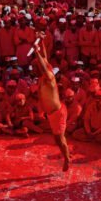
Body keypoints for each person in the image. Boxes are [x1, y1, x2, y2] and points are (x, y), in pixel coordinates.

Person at [32, 42, 71, 170]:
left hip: (58, 113)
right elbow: (45, 57)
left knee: (60, 139)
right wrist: (41, 41)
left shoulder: (49, 76)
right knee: (56, 139)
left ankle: (67, 159)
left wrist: (36, 52)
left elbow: (43, 64)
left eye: (35, 66)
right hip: (51, 114)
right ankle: (66, 156)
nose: (34, 68)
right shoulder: (43, 76)